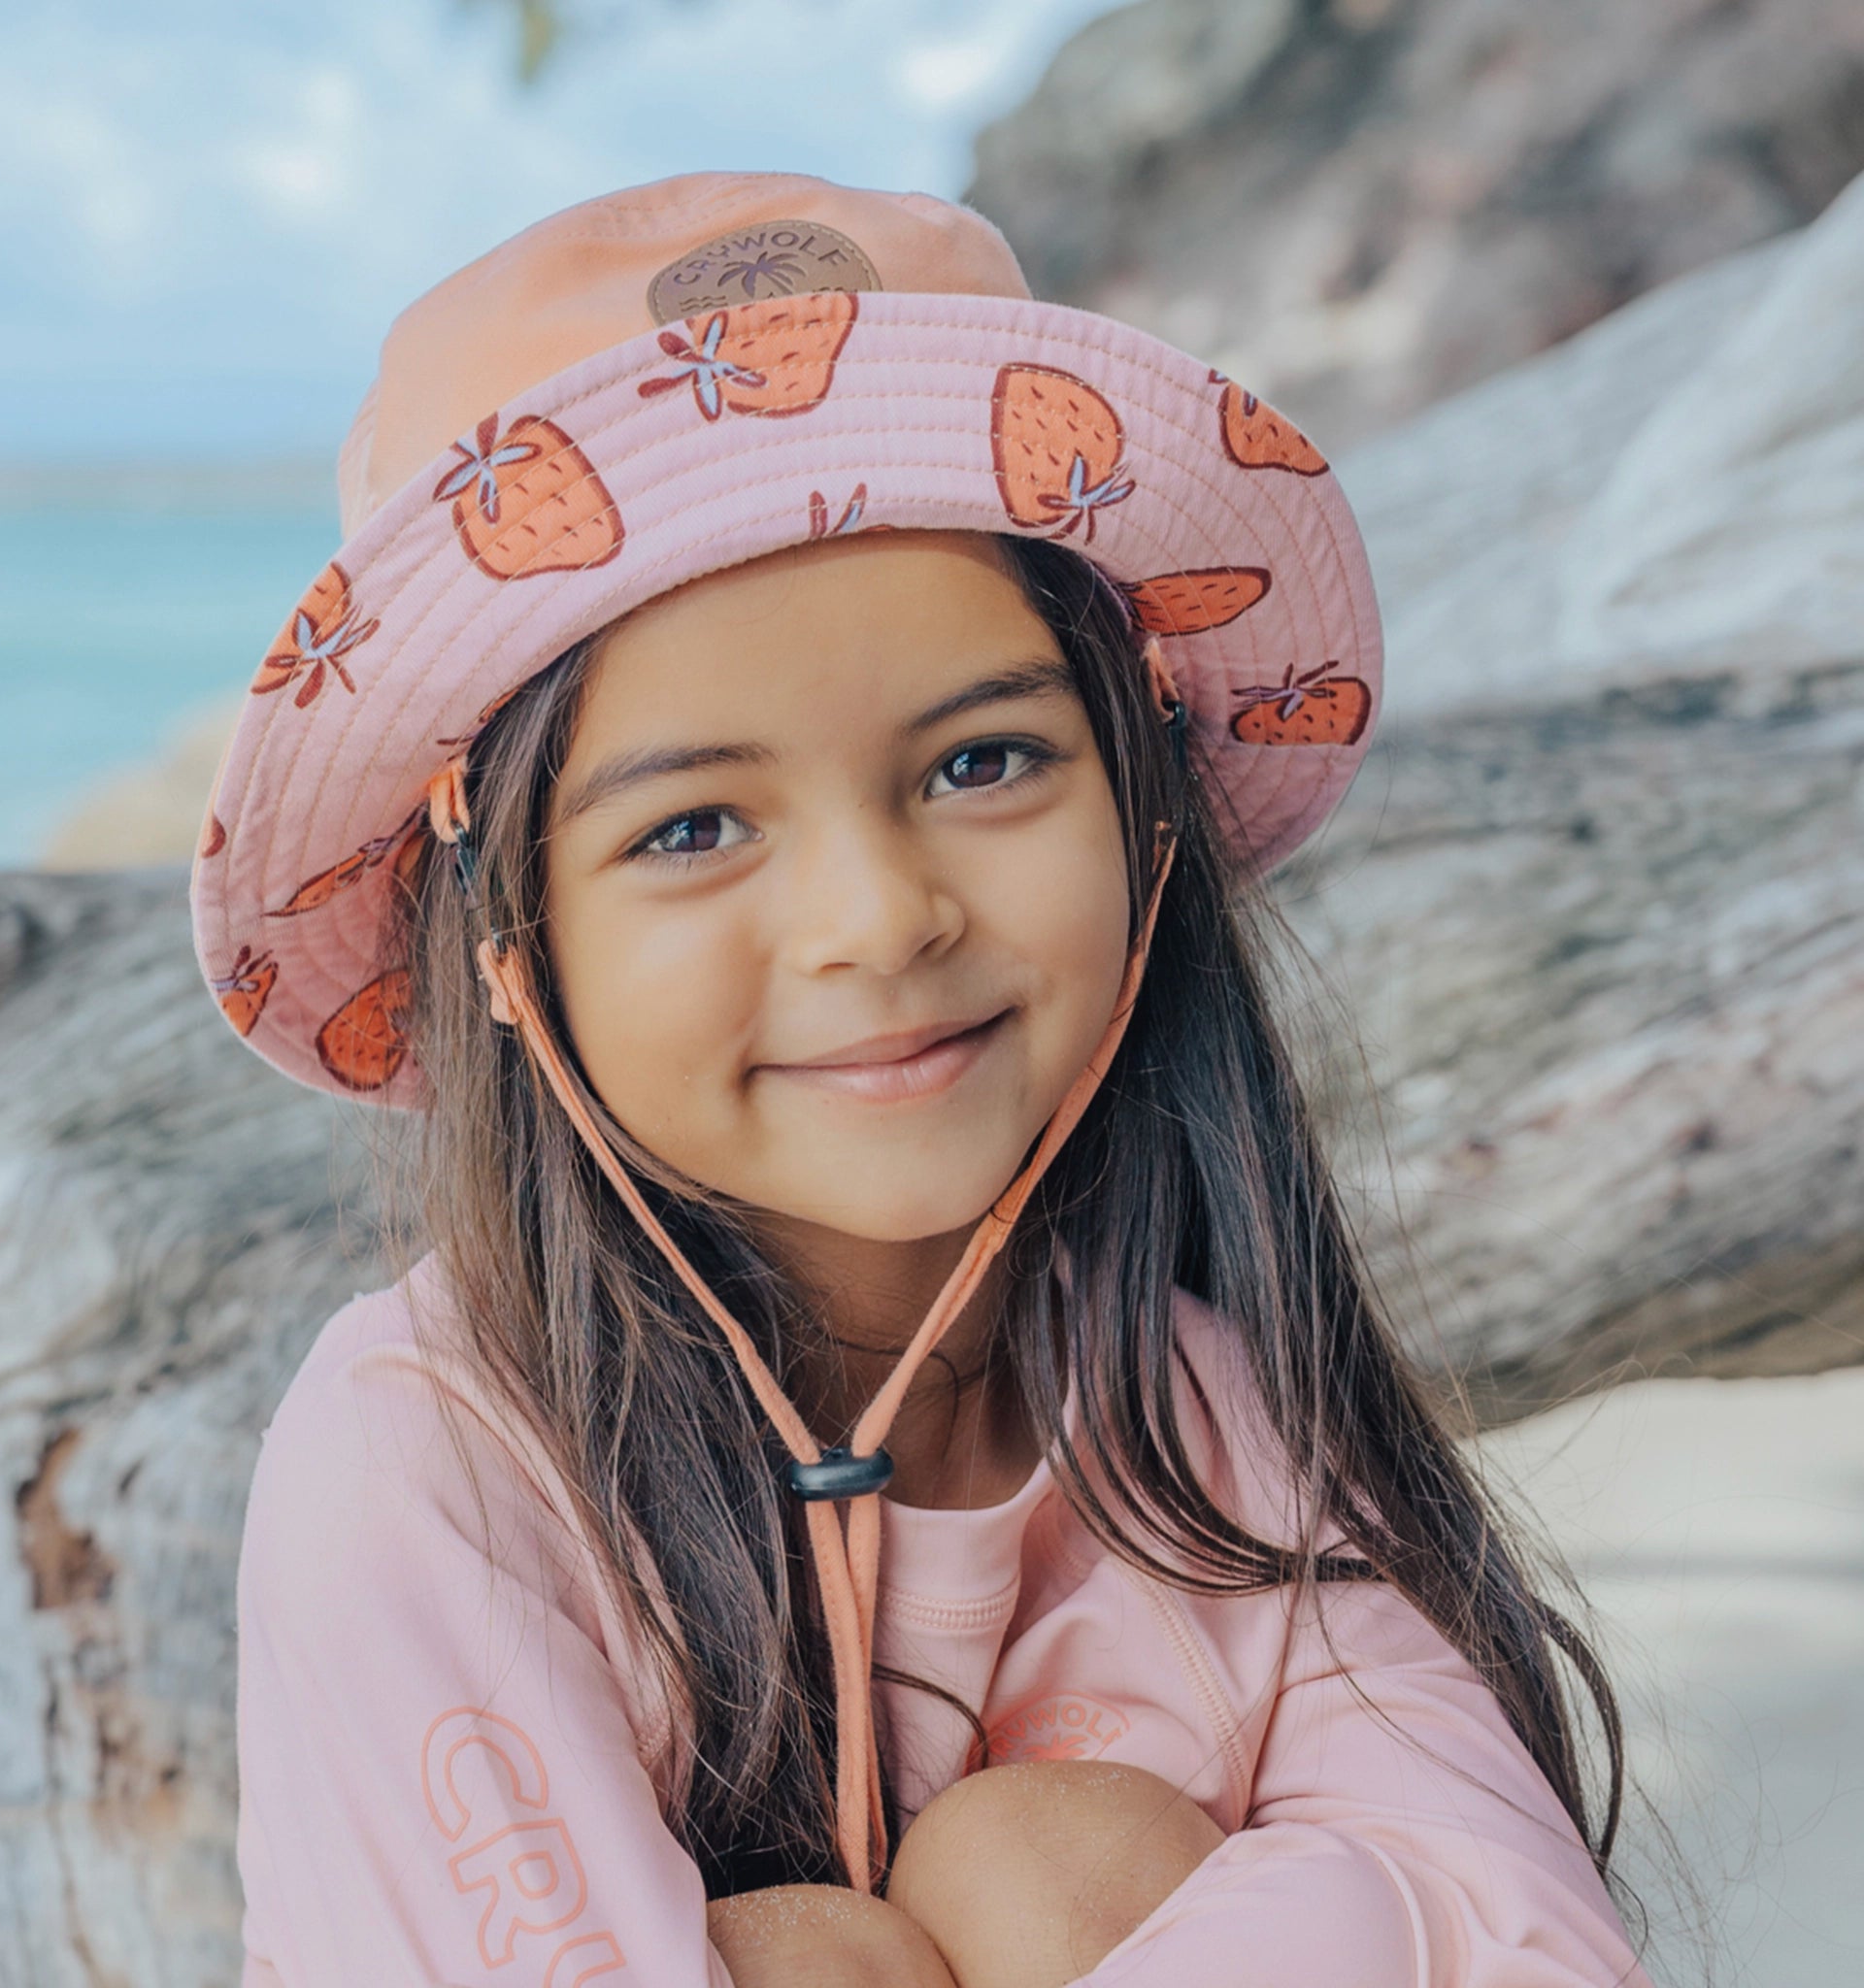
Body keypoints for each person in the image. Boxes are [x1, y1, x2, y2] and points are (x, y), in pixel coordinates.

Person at [192, 172, 1655, 1987]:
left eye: (982, 764)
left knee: (1065, 1857)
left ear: (1146, 812)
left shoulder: (1202, 1415)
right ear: (507, 945)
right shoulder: (433, 1458)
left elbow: (1532, 1941)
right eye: (696, 825)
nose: (878, 922)